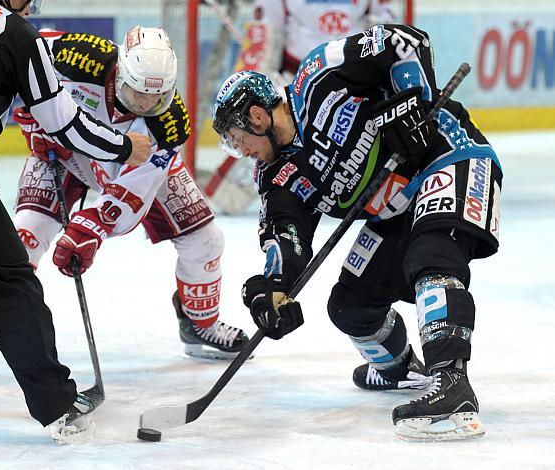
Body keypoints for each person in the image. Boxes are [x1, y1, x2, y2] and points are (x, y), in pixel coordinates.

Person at [212, 24, 502, 441]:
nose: (242, 152)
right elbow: (285, 238)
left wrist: (415, 103)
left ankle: (451, 382)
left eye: (238, 141)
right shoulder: (277, 176)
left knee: (431, 256)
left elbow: (406, 41)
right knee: (350, 305)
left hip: (450, 157)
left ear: (257, 117)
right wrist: (271, 288)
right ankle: (402, 370)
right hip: (396, 208)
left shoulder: (320, 76)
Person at [0, 26, 251, 375]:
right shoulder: (76, 55)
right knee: (27, 231)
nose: (146, 104)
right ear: (120, 71)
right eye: (136, 93)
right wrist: (26, 110)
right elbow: (20, 53)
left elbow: (132, 194)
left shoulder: (169, 123)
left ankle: (200, 323)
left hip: (132, 162)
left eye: (156, 97)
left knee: (205, 240)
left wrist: (91, 227)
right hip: (66, 148)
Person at [0, 0, 152, 441]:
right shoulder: (16, 32)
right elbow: (65, 123)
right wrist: (125, 148)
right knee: (9, 284)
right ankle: (58, 406)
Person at [204, 0, 398, 214]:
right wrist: (265, 86)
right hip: (297, 81)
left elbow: (383, 27)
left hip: (353, 76)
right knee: (257, 140)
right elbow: (265, 36)